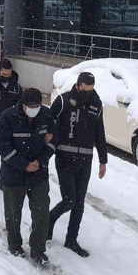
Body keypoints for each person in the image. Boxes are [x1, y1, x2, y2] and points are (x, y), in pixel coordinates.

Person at [48, 71, 108, 258]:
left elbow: (99, 133)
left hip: (85, 160)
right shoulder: (64, 101)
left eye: (91, 90)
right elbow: (49, 123)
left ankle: (71, 240)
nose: (88, 93)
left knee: (79, 204)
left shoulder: (96, 104)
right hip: (65, 158)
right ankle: (49, 220)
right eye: (85, 90)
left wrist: (103, 160)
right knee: (69, 200)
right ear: (77, 85)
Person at [0, 88, 58, 264]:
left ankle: (38, 249)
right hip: (13, 175)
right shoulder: (8, 117)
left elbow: (54, 140)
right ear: (22, 105)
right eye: (31, 106)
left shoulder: (46, 115)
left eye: (37, 105)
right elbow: (4, 147)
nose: (34, 109)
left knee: (41, 212)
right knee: (13, 214)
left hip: (38, 173)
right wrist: (24, 165)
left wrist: (40, 160)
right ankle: (15, 245)